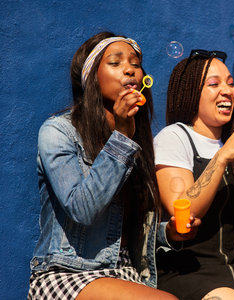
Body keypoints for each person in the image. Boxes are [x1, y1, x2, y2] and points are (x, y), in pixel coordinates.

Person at [27, 32, 197, 300]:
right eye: (115, 63)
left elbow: (128, 230)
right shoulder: (58, 132)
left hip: (126, 273)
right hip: (69, 275)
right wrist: (120, 140)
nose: (129, 69)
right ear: (91, 77)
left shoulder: (134, 139)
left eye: (135, 63)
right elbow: (82, 209)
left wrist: (169, 234)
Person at [153, 50, 234, 299]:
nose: (227, 91)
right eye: (214, 84)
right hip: (189, 271)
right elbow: (183, 210)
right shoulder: (174, 137)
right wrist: (221, 158)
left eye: (231, 84)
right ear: (190, 92)